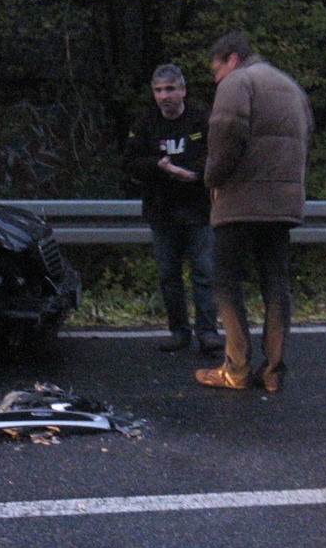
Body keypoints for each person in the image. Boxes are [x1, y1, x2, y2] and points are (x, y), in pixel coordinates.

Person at [195, 31, 313, 393]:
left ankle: (237, 368)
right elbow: (307, 142)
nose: (216, 79)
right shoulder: (291, 87)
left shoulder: (237, 82)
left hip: (240, 202)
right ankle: (274, 371)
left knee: (226, 282)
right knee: (275, 283)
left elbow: (225, 135)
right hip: (282, 205)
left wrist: (212, 178)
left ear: (231, 59)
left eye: (217, 70)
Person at [124, 63, 222, 354]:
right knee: (169, 275)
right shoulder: (145, 124)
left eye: (169, 89)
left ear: (182, 90)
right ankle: (179, 331)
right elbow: (130, 162)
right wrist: (158, 166)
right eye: (158, 90)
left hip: (197, 210)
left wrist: (190, 174)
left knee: (204, 273)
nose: (164, 96)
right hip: (162, 210)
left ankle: (208, 332)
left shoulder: (201, 120)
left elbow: (216, 157)